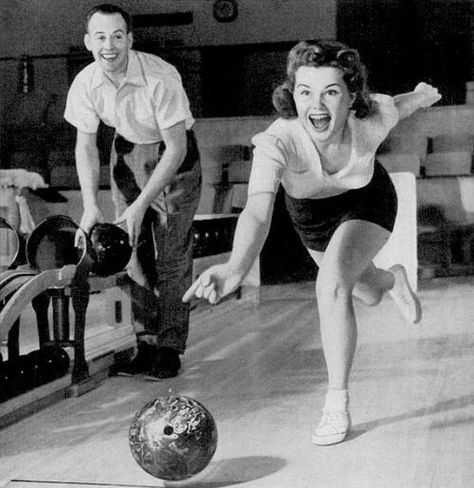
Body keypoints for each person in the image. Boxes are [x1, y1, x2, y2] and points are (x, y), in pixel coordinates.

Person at [183, 39, 441, 445]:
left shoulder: (371, 118)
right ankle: (391, 280)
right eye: (305, 92)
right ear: (292, 95)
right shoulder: (278, 141)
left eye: (330, 92)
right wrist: (235, 267)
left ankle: (336, 404)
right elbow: (256, 212)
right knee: (365, 292)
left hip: (368, 201)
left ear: (352, 96)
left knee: (331, 284)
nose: (316, 105)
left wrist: (422, 97)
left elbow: (400, 104)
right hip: (312, 218)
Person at [64, 4, 201, 380]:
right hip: (126, 153)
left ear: (130, 39)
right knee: (130, 255)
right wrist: (90, 206)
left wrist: (141, 204)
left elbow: (176, 149)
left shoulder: (160, 78)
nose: (110, 46)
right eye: (101, 37)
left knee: (172, 257)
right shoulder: (86, 81)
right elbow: (86, 145)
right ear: (89, 41)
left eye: (118, 36)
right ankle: (146, 343)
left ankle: (170, 347)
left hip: (173, 158)